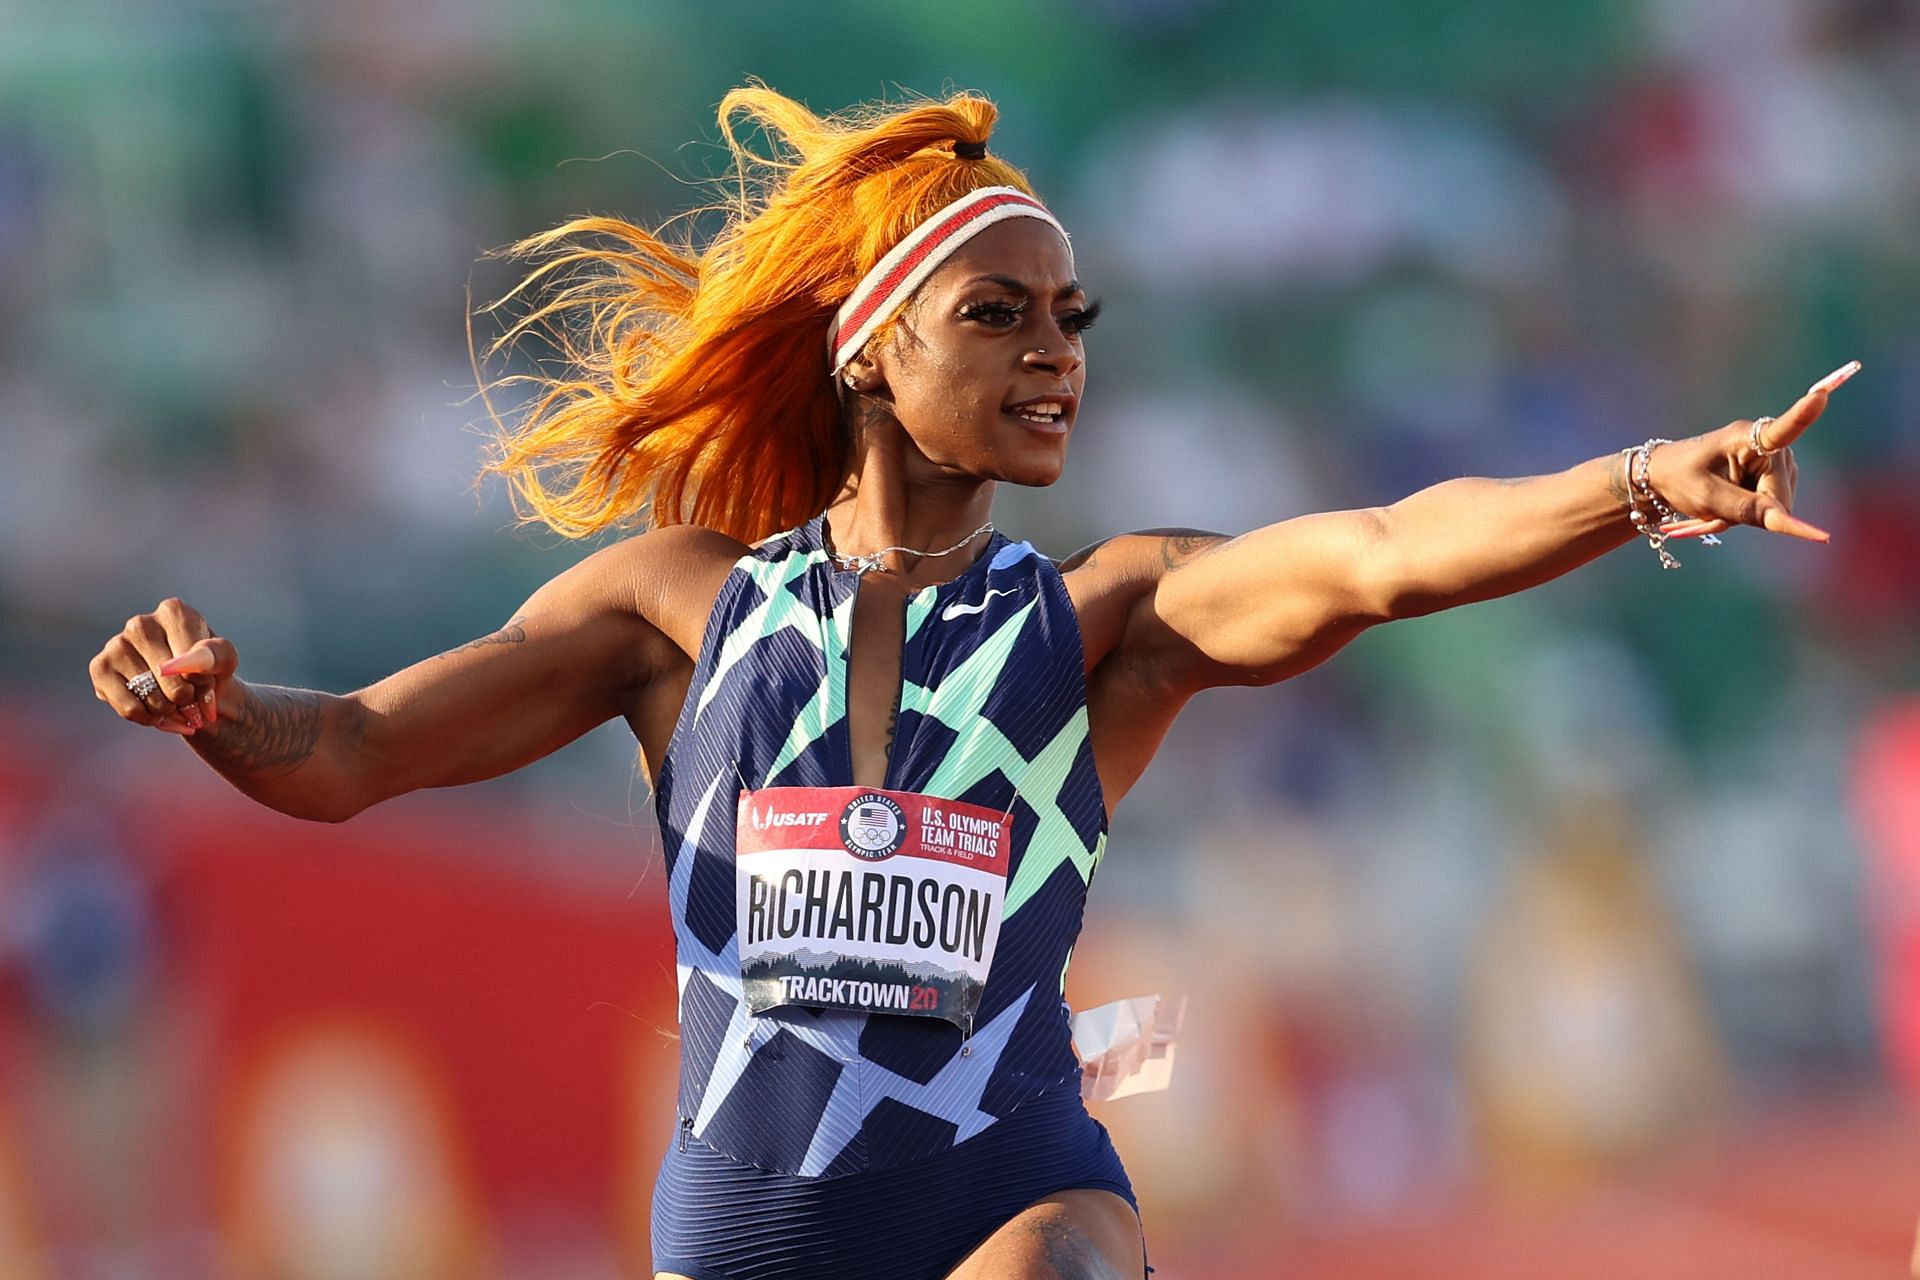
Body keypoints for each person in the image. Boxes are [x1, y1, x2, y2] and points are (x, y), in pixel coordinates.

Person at [87, 84, 1856, 1280]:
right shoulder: (672, 611)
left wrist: (1636, 485)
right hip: (744, 1216)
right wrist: (213, 713)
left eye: (1076, 319)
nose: (1055, 357)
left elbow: (1385, 551)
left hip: (1004, 1191)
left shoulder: (1109, 617)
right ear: (870, 343)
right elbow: (344, 758)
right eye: (1001, 316)